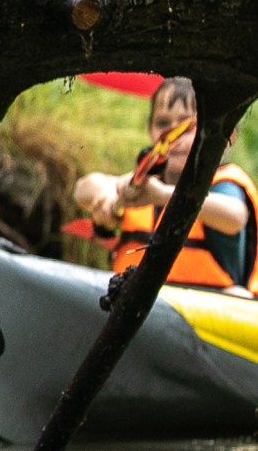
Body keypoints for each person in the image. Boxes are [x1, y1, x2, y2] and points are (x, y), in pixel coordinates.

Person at [72, 77, 255, 293]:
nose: (171, 137)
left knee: (237, 294)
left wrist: (161, 196)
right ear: (150, 131)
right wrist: (108, 199)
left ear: (226, 136)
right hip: (139, 305)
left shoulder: (225, 183)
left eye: (187, 127)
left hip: (209, 308)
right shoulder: (144, 184)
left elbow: (234, 217)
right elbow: (83, 190)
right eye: (163, 123)